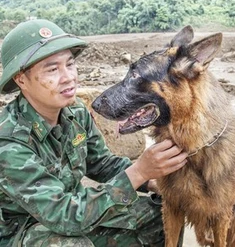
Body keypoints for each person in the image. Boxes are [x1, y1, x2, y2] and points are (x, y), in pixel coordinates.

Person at [0, 19, 188, 246]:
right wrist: (138, 171)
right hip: (25, 232)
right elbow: (62, 215)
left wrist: (150, 180)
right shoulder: (9, 141)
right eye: (52, 69)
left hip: (74, 215)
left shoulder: (75, 112)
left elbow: (102, 164)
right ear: (21, 79)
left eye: (69, 64)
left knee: (161, 214)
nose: (68, 77)